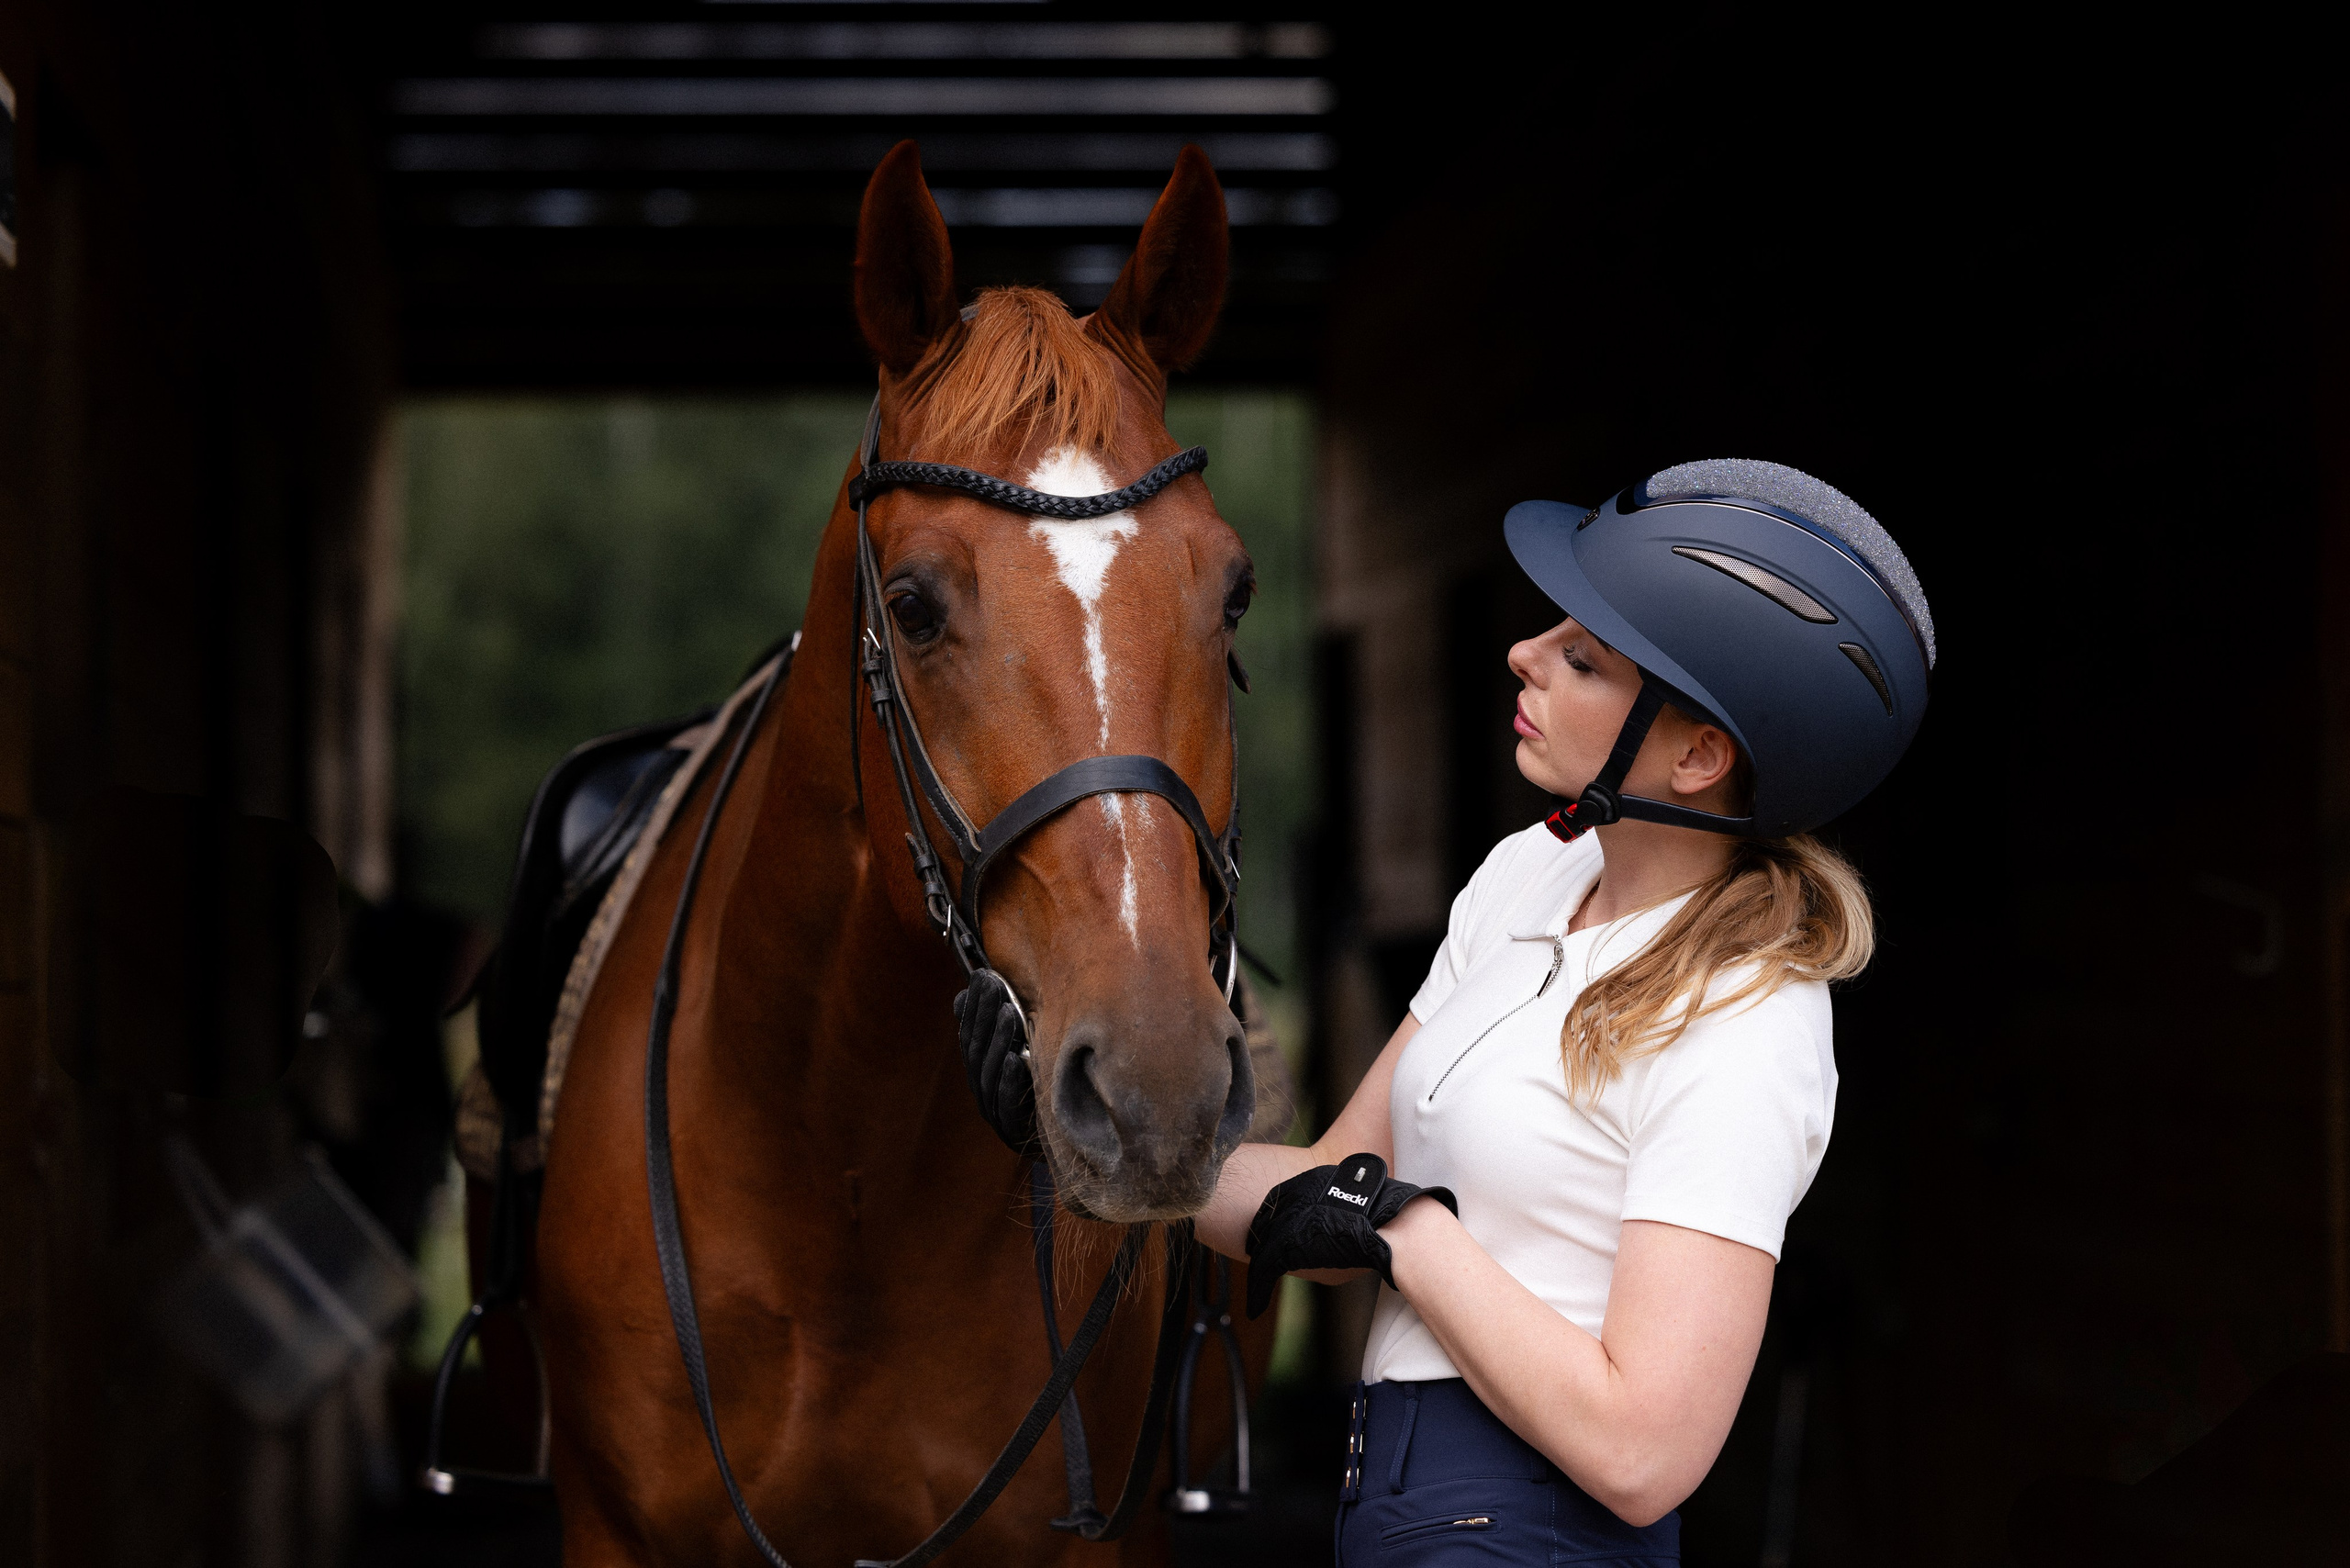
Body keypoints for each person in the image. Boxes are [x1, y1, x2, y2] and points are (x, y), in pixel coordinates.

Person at [1196, 459, 1935, 1564]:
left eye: (1582, 657)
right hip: (1396, 1507)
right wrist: (1080, 1151)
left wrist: (1410, 1231)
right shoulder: (1524, 878)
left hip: (1532, 1531)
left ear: (1698, 755)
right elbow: (1336, 1180)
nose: (1523, 653)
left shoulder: (1745, 1015)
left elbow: (1644, 1455)